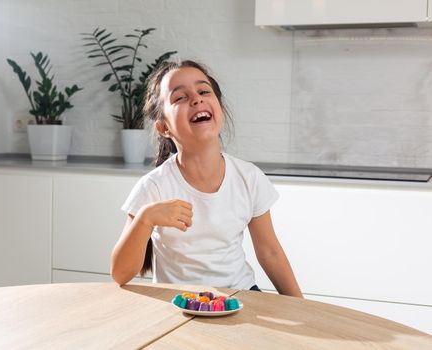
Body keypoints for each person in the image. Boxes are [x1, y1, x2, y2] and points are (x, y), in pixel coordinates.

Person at [111, 60, 302, 297]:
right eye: (180, 97)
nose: (197, 98)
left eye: (204, 91)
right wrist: (145, 218)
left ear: (219, 108)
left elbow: (270, 252)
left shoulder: (249, 177)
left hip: (240, 296)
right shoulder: (154, 186)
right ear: (163, 128)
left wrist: (302, 307)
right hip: (179, 301)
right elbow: (120, 274)